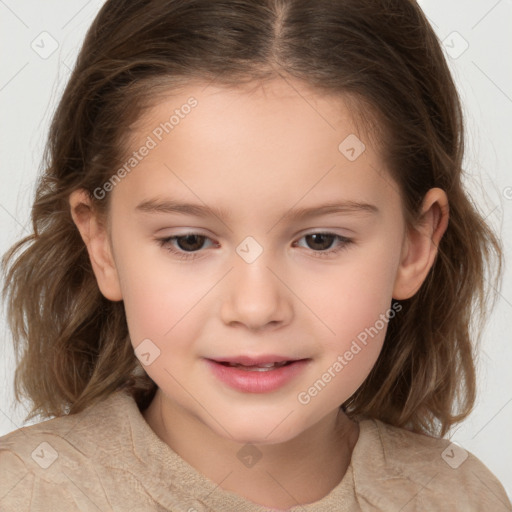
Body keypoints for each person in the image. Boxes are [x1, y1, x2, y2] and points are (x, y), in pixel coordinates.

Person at [1, 0, 510, 510]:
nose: (255, 307)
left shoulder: (461, 496)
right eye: (190, 241)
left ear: (414, 246)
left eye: (320, 240)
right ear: (103, 246)